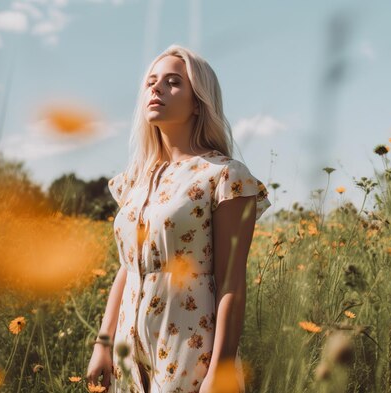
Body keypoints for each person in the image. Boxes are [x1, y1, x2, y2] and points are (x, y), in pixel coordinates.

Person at [86, 44, 271, 393]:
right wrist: (103, 343)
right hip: (128, 348)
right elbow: (127, 267)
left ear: (199, 102)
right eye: (151, 81)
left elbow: (231, 280)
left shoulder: (225, 176)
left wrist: (222, 371)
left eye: (172, 82)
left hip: (188, 347)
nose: (156, 88)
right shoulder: (134, 181)